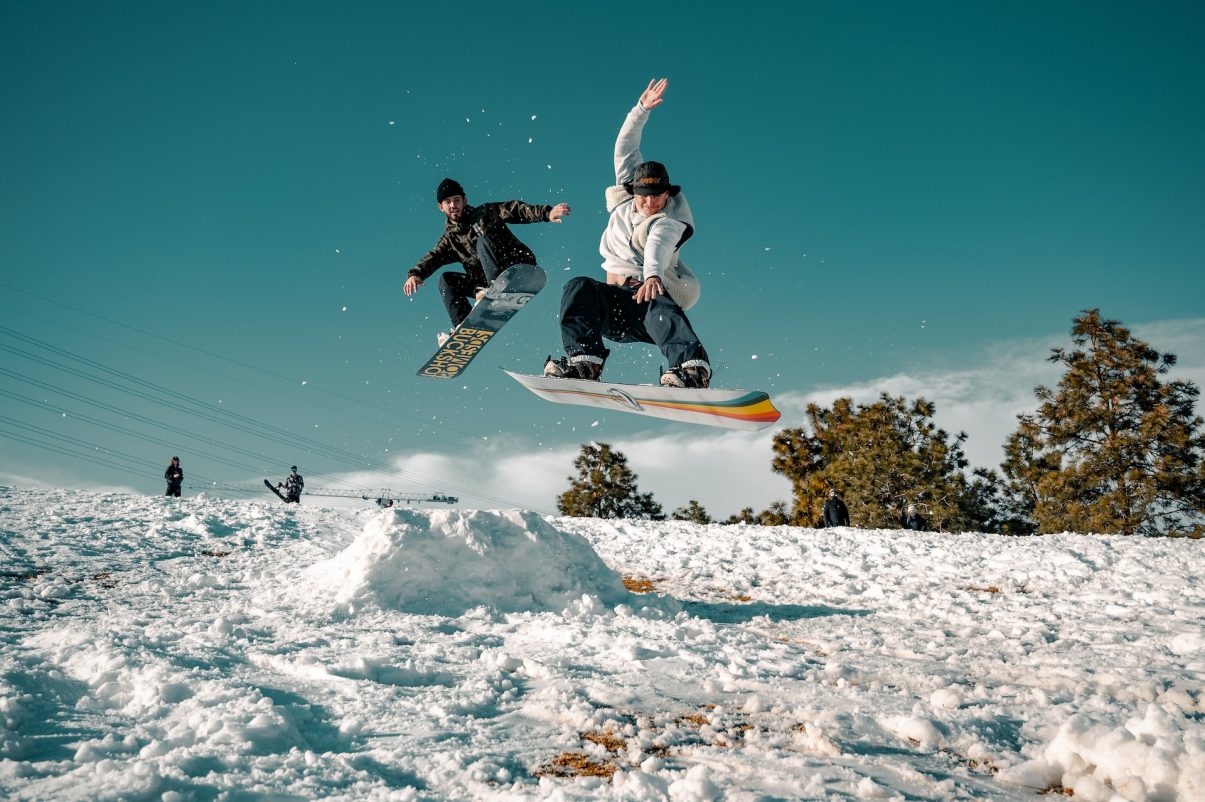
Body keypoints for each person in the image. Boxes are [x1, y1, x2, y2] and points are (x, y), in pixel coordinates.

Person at [544, 78, 710, 388]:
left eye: (657, 196)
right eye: (643, 195)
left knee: (657, 299)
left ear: (667, 194)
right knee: (577, 287)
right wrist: (641, 109)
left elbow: (658, 247)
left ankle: (691, 369)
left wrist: (652, 276)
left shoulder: (668, 221)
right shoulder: (625, 201)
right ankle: (585, 362)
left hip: (646, 308)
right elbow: (625, 146)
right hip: (611, 308)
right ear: (632, 191)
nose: (649, 203)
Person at [404, 178, 571, 344]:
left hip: (517, 263)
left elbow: (515, 209)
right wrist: (416, 274)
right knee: (446, 280)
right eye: (448, 202)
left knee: (482, 240)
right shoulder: (450, 240)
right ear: (441, 207)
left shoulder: (485, 213)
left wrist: (546, 213)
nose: (453, 205)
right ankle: (463, 326)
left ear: (465, 201)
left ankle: (493, 289)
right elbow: (433, 257)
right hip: (485, 284)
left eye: (457, 200)